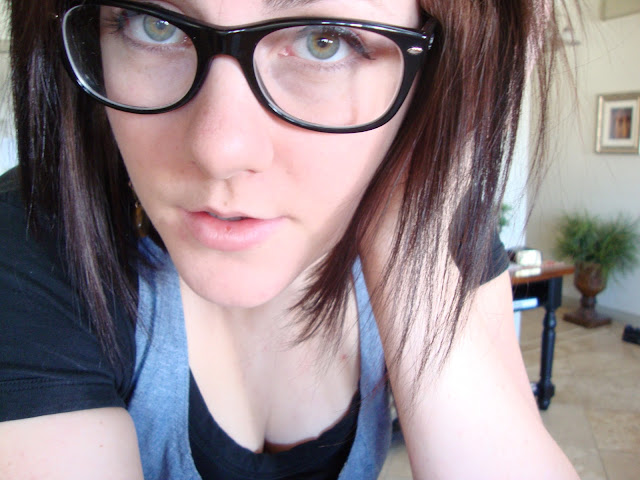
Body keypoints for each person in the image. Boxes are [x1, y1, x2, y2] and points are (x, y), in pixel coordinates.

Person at [0, 0, 580, 479]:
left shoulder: (444, 233)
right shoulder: (31, 242)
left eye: (324, 41)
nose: (219, 150)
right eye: (156, 24)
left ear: (439, 60)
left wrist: (414, 251)